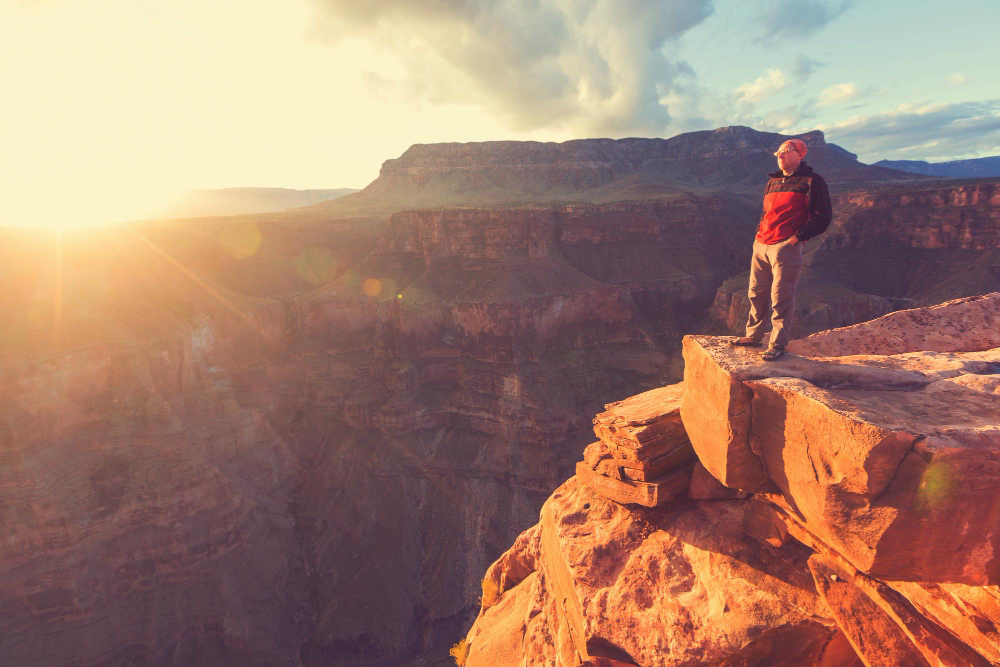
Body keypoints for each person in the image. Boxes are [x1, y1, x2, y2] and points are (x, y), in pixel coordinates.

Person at [729, 138, 832, 360]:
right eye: (778, 152)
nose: (781, 155)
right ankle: (753, 335)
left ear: (800, 155)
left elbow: (822, 217)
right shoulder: (772, 182)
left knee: (781, 296)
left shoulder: (812, 181)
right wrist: (758, 235)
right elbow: (766, 213)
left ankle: (777, 344)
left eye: (787, 151)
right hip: (762, 244)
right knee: (756, 293)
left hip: (785, 246)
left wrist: (796, 239)